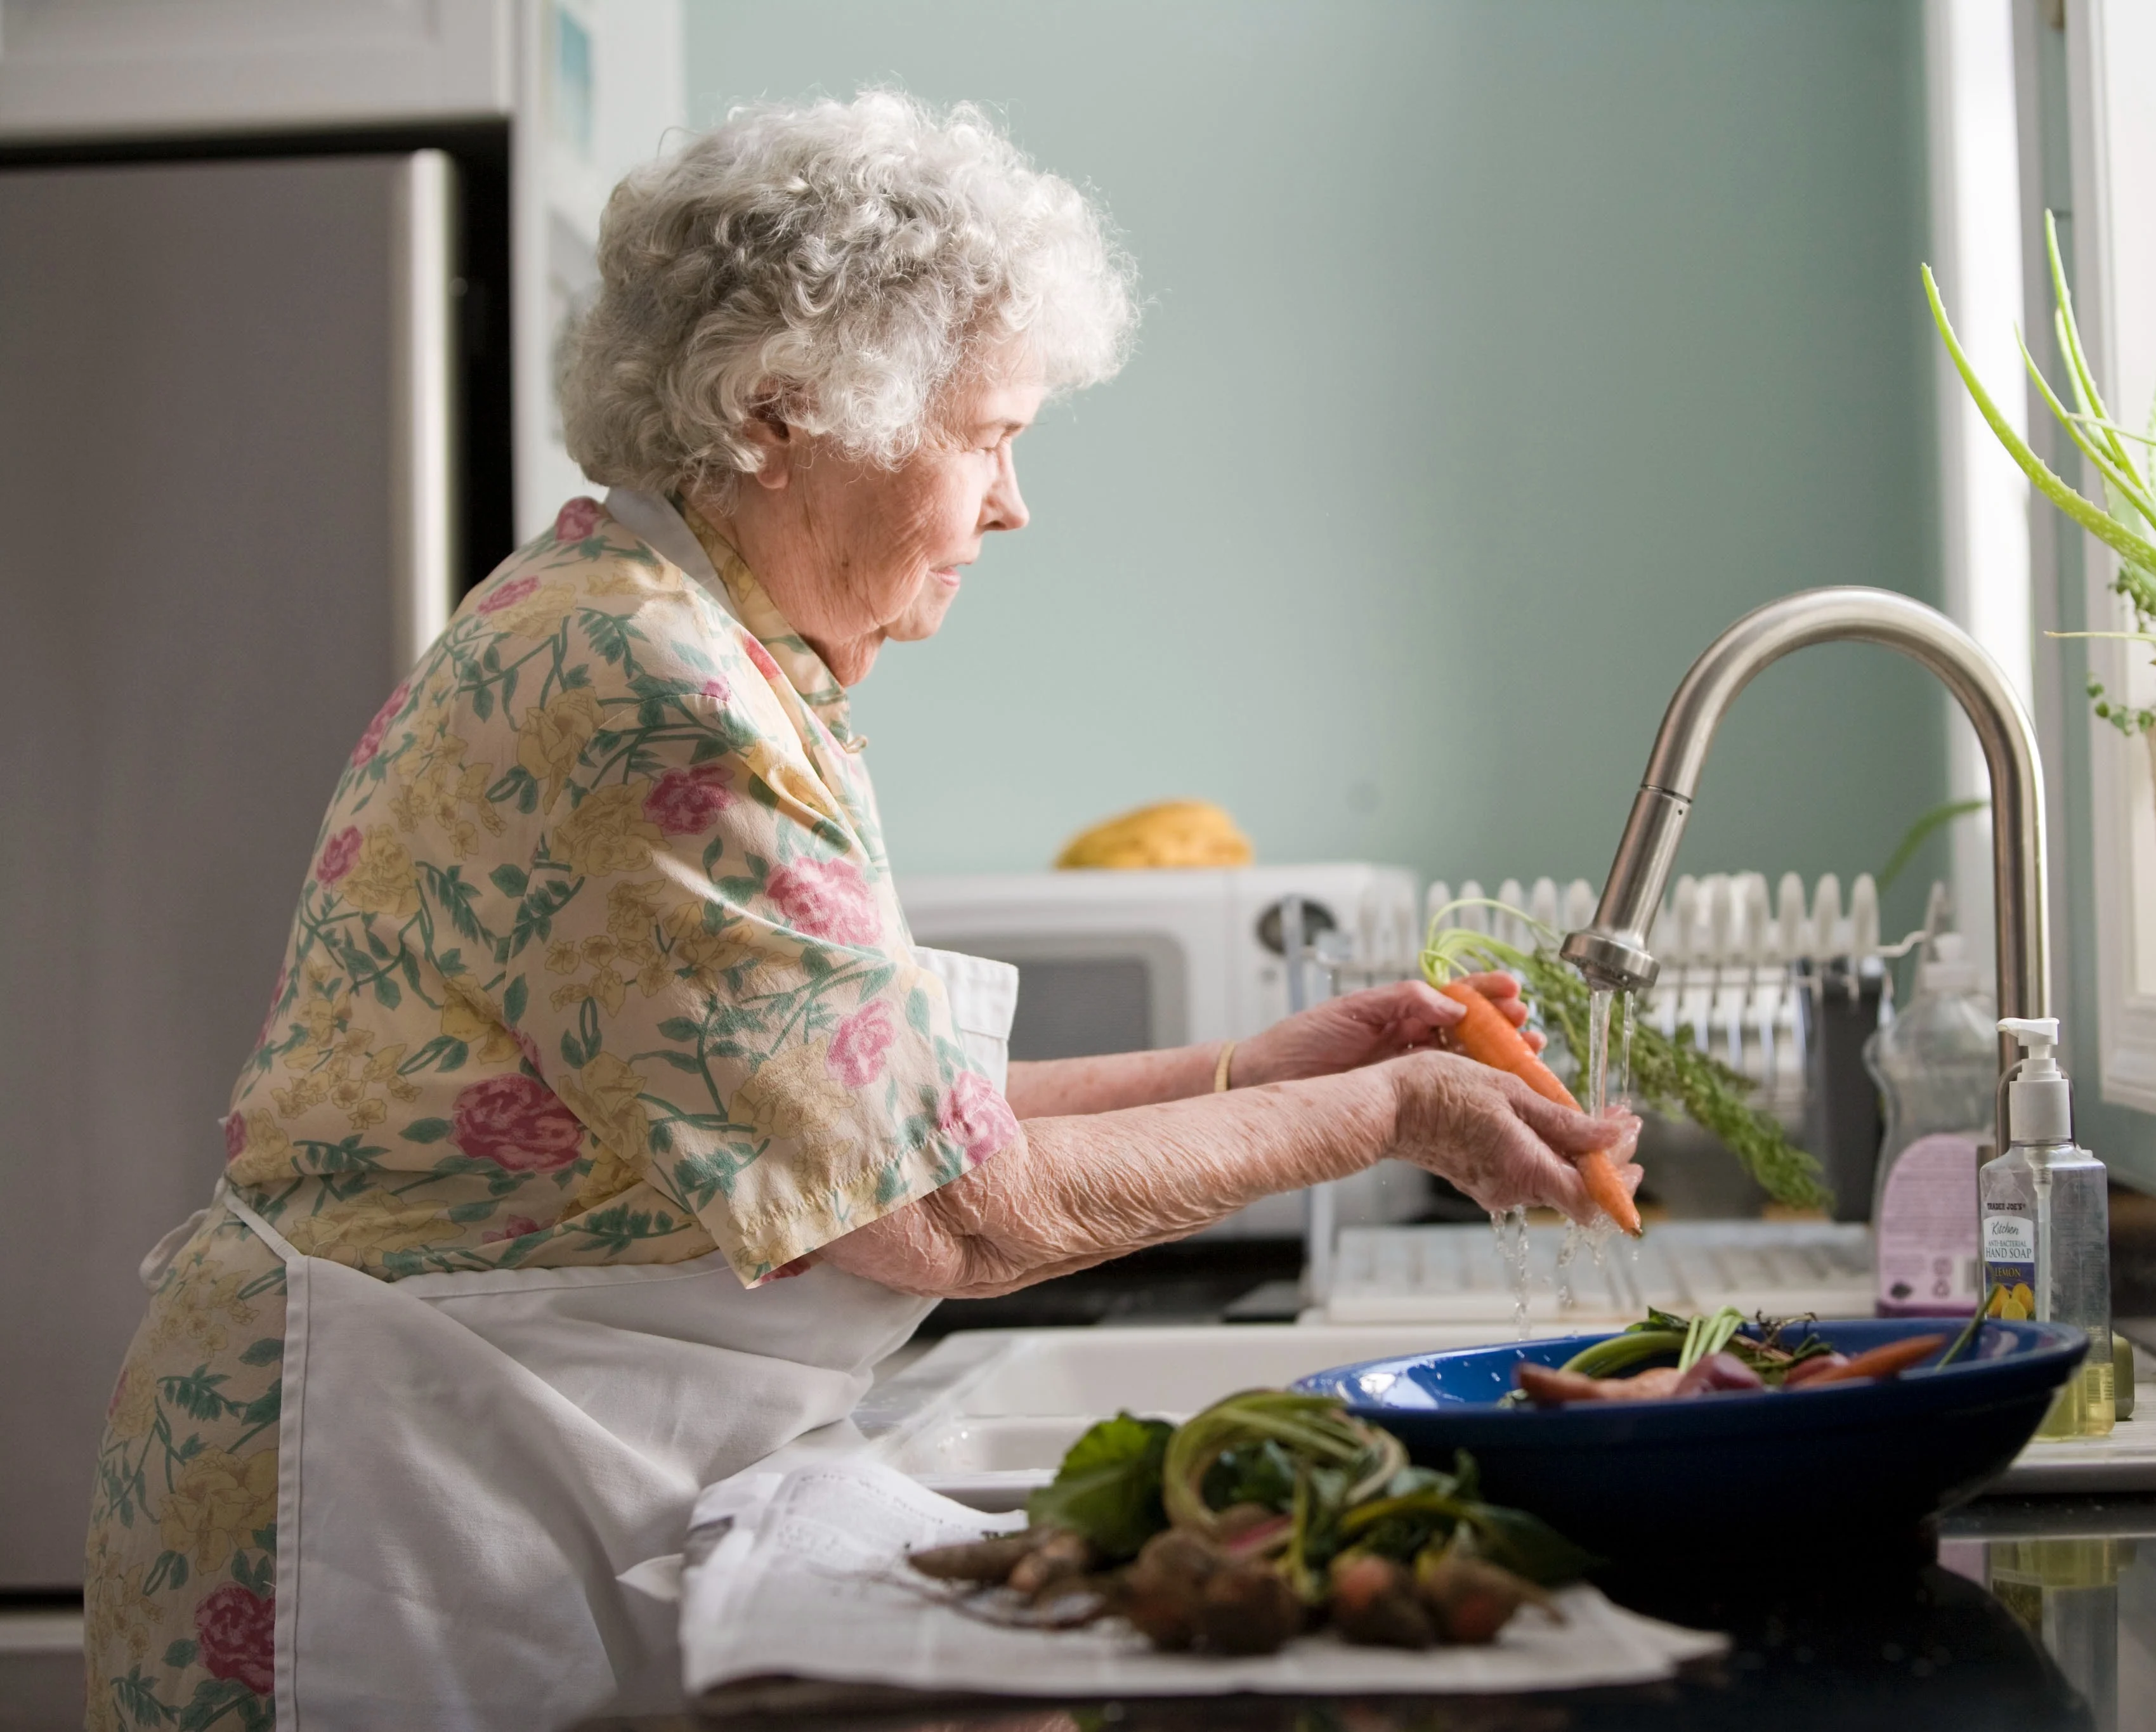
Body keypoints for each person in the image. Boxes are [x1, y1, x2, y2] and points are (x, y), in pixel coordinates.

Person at [83, 89, 1638, 1728]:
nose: (1016, 502)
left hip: (498, 1446)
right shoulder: (642, 691)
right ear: (780, 411)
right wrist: (1387, 1108)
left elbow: (863, 1122)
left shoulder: (688, 645)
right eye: (985, 437)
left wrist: (1260, 1073)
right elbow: (945, 1217)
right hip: (395, 1503)